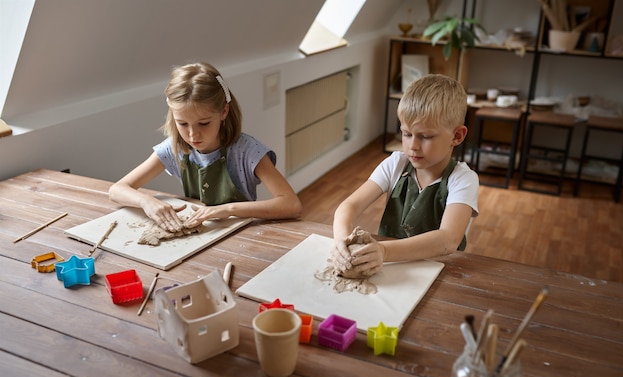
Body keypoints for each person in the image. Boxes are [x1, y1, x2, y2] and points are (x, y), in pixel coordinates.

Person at [109, 62, 302, 232]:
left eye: (203, 124)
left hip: (242, 235)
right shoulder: (174, 148)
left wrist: (227, 210)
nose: (193, 135)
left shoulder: (247, 151)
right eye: (183, 124)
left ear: (223, 111)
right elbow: (117, 190)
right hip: (200, 234)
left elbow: (291, 204)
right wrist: (147, 202)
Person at [331, 73, 479, 277]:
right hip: (389, 266)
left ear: (457, 136)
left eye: (426, 137)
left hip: (439, 272)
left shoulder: (463, 179)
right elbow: (349, 206)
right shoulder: (396, 164)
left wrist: (383, 250)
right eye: (407, 134)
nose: (413, 146)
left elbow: (447, 240)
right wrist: (342, 240)